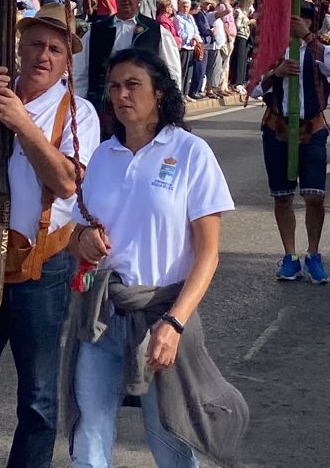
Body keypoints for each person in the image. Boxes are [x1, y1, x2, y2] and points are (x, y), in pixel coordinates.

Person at [0, 4, 101, 468]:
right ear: (19, 47)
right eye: (35, 44)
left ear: (68, 59)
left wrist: (22, 123)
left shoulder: (78, 114)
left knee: (38, 400)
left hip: (42, 270)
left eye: (55, 48)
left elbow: (67, 181)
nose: (42, 56)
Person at [64, 47, 242, 468]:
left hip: (160, 317)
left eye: (133, 85)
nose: (121, 95)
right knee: (89, 430)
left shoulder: (190, 153)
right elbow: (77, 231)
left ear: (159, 92)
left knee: (169, 437)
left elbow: (208, 254)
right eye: (114, 86)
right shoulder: (103, 156)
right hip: (101, 316)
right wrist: (81, 240)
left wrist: (174, 323)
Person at [258, 2, 330, 283]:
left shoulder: (322, 50)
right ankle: (290, 256)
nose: (299, 24)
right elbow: (256, 87)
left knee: (314, 195)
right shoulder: (273, 50)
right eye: (295, 20)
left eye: (306, 20)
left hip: (311, 129)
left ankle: (314, 254)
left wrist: (307, 38)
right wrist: (277, 73)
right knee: (282, 196)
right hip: (277, 128)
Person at [78, 0, 183, 113]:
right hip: (103, 107)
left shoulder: (156, 31)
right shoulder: (95, 31)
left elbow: (171, 72)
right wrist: (79, 107)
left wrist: (170, 105)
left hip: (142, 107)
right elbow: (80, 73)